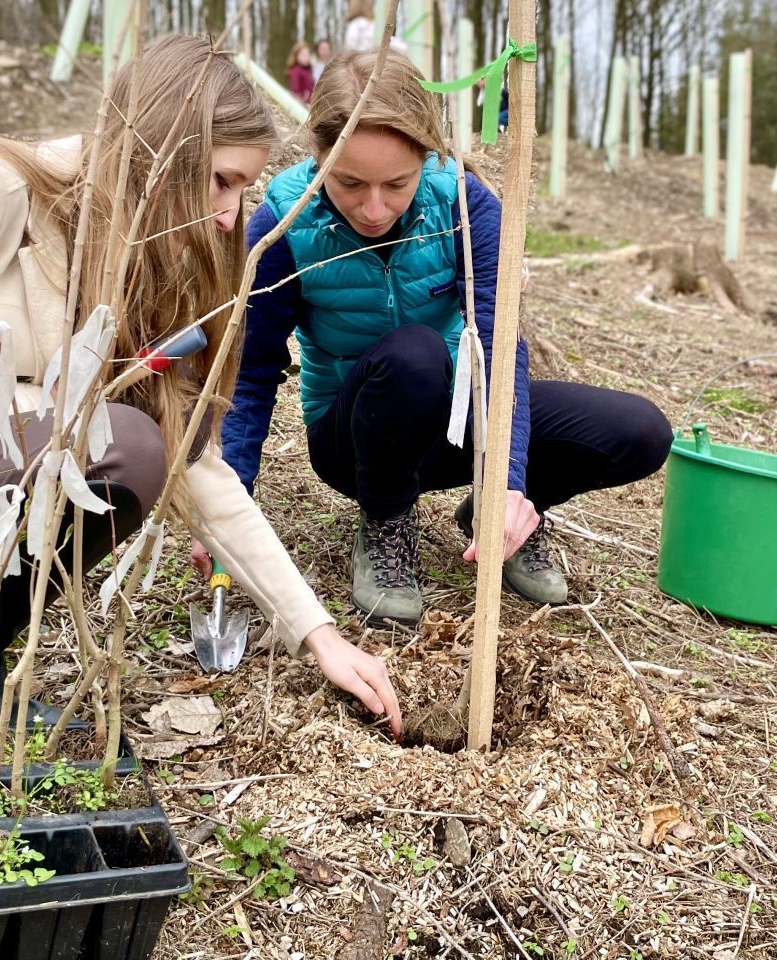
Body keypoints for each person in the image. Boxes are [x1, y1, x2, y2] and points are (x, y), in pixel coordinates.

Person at [0, 36, 401, 737]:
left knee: (122, 441)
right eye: (219, 180)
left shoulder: (138, 256)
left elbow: (190, 456)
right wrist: (30, 412)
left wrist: (318, 633)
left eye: (243, 188)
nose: (230, 215)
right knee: (109, 442)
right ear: (158, 152)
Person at [219, 50, 673, 627]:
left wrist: (504, 482)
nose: (375, 207)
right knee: (414, 355)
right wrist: (232, 506)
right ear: (319, 155)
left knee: (638, 432)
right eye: (351, 182)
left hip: (457, 419)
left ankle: (501, 514)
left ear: (428, 158)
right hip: (354, 439)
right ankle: (384, 523)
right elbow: (252, 373)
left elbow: (497, 341)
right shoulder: (285, 223)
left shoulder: (462, 204)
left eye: (398, 183)